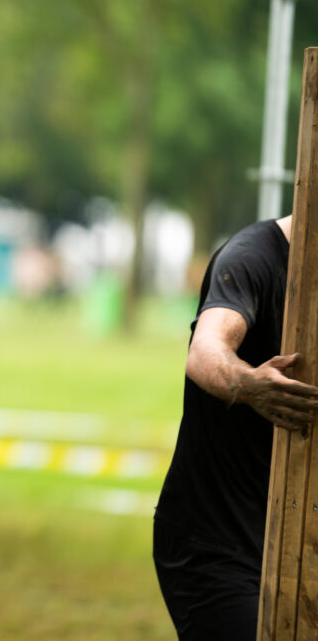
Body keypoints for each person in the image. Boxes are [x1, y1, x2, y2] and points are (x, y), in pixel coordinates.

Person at [154, 215, 318, 639]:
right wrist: (249, 384)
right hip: (213, 544)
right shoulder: (251, 257)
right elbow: (205, 350)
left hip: (293, 541)